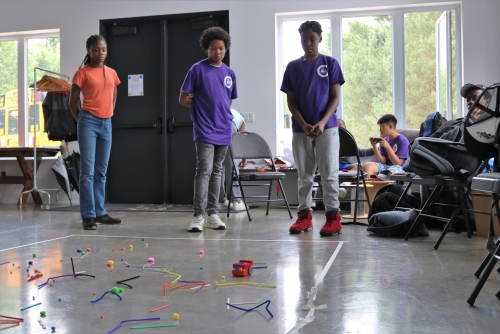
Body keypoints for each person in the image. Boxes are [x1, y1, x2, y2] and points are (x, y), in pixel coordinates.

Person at [280, 20, 345, 236]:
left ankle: (333, 217)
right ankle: (304, 217)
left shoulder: (330, 63)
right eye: (304, 40)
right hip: (301, 129)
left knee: (329, 173)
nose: (308, 43)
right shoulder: (292, 67)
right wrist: (304, 123)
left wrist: (322, 122)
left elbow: (335, 98)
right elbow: (291, 102)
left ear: (320, 39)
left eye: (312, 39)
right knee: (304, 175)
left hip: (327, 127)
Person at [179, 27, 237, 232]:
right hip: (204, 129)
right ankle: (198, 216)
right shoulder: (197, 69)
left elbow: (227, 101)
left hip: (224, 129)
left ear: (225, 48)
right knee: (204, 170)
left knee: (217, 171)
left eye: (221, 48)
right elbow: (183, 98)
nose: (218, 52)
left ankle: (213, 213)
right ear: (207, 49)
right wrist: (199, 105)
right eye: (213, 48)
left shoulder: (229, 73)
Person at [69, 35, 121, 230]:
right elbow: (72, 103)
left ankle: (100, 212)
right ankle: (88, 215)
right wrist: (82, 121)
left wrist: (109, 113)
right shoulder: (81, 73)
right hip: (88, 122)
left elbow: (113, 94)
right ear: (89, 51)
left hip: (106, 123)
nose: (101, 53)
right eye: (96, 50)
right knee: (87, 173)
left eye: (104, 50)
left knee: (101, 171)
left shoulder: (112, 73)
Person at [219, 108, 247, 211]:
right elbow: (243, 139)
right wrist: (244, 159)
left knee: (218, 165)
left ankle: (220, 201)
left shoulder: (228, 110)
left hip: (213, 122)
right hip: (228, 124)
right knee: (231, 165)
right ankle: (237, 201)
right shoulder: (240, 120)